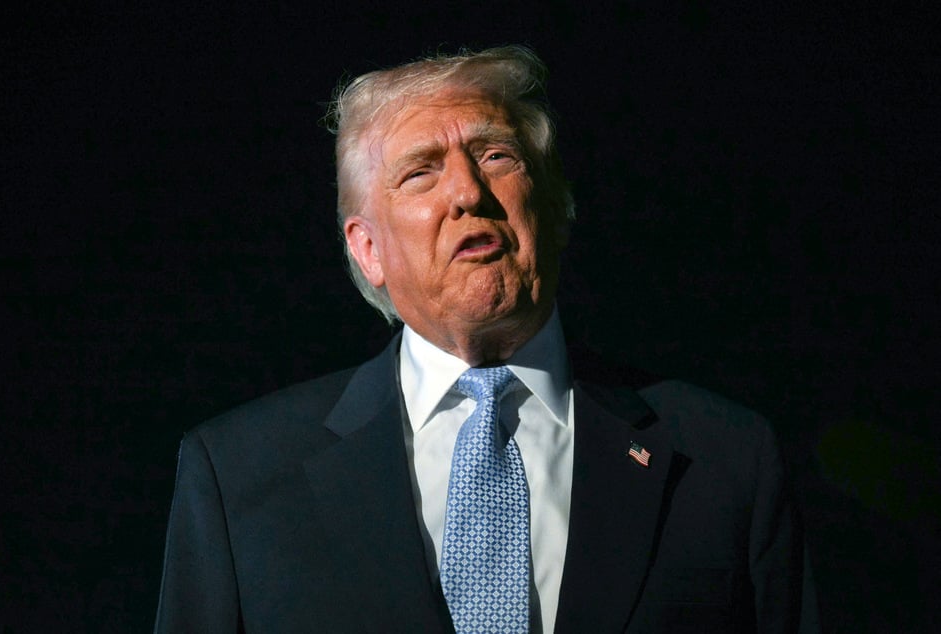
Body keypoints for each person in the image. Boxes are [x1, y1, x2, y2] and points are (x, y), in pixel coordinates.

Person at [155, 46, 817, 633]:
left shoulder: (725, 457)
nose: (468, 192)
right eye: (420, 172)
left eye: (495, 155)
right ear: (367, 249)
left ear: (554, 204)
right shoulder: (239, 473)